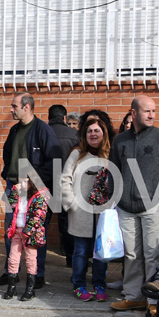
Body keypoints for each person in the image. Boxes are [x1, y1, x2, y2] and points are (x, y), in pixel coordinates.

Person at [108, 95, 159, 312]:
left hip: (153, 207)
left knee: (154, 255)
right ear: (133, 113)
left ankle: (154, 301)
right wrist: (116, 197)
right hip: (125, 208)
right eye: (147, 111)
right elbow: (113, 171)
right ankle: (133, 296)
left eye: (154, 111)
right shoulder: (120, 140)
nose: (152, 115)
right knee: (131, 254)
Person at [0, 93, 61, 289]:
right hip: (13, 187)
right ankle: (11, 272)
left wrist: (35, 180)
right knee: (11, 230)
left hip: (35, 191)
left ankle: (37, 274)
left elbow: (55, 160)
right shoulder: (14, 130)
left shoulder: (43, 130)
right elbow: (7, 154)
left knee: (35, 234)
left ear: (27, 107)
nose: (11, 109)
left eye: (14, 106)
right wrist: (8, 174)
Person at [61, 118, 113, 302]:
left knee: (101, 252)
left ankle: (99, 285)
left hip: (102, 212)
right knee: (81, 251)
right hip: (80, 212)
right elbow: (65, 178)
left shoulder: (109, 155)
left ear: (103, 134)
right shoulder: (77, 154)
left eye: (96, 131)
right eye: (89, 131)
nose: (93, 134)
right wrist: (71, 203)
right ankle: (79, 285)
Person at [3, 175, 50, 301]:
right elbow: (10, 204)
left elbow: (38, 216)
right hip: (17, 230)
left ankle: (30, 289)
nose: (22, 184)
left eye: (25, 181)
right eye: (20, 181)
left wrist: (27, 231)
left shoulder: (39, 196)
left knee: (31, 259)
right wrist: (14, 189)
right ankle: (11, 287)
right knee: (13, 258)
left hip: (30, 233)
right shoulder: (20, 194)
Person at [48, 104, 79, 268]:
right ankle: (70, 257)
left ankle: (37, 258)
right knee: (66, 220)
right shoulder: (74, 135)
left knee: (41, 220)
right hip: (67, 182)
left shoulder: (41, 132)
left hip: (44, 181)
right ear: (65, 118)